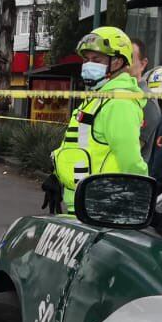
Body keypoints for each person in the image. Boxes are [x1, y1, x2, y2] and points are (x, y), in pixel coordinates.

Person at [52, 25, 149, 214]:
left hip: (103, 209)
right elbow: (82, 147)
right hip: (82, 205)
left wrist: (143, 198)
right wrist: (59, 177)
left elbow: (130, 161)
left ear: (117, 62)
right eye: (86, 59)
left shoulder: (119, 102)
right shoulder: (98, 99)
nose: (89, 64)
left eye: (96, 59)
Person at [132, 38, 161, 164]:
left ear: (143, 64)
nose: (122, 64)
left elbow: (132, 150)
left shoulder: (146, 101)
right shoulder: (120, 94)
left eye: (129, 59)